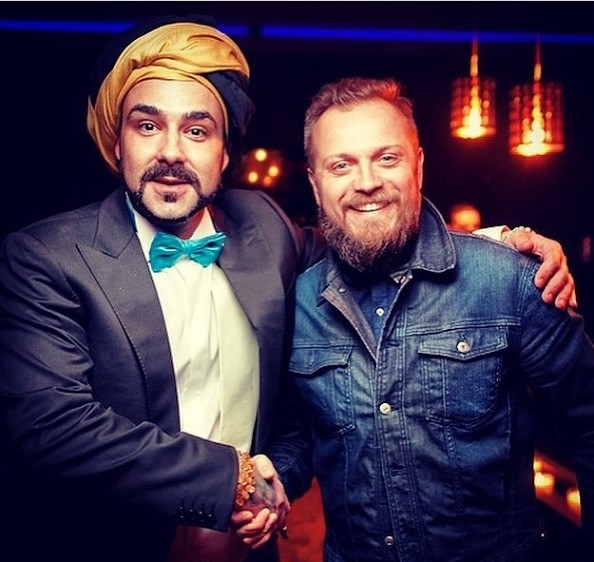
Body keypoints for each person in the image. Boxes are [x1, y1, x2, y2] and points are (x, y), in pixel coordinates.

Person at [0, 15, 578, 562]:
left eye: (197, 131)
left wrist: (492, 246)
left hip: (252, 549)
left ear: (225, 153)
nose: (172, 151)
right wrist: (235, 478)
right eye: (147, 126)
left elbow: (368, 231)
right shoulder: (46, 256)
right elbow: (50, 425)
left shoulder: (264, 228)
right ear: (117, 143)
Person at [261, 77, 594, 562]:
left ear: (418, 166)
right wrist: (270, 481)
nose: (366, 181)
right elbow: (300, 436)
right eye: (341, 165)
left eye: (386, 158)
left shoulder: (511, 279)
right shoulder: (298, 302)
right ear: (315, 183)